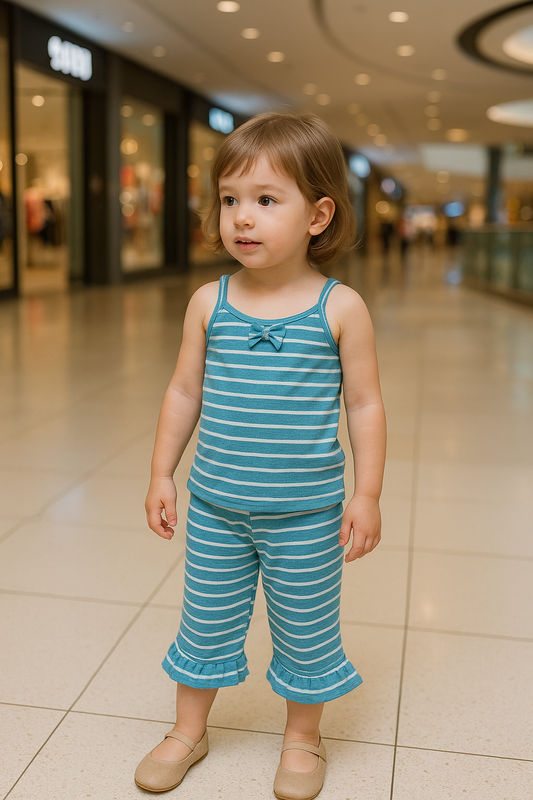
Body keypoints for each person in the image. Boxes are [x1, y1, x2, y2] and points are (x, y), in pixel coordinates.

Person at [134, 112, 386, 800]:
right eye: (229, 199)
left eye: (266, 200)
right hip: (216, 507)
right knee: (204, 622)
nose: (242, 218)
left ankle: (302, 739)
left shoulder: (339, 308)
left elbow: (363, 404)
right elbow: (183, 389)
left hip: (305, 513)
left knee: (306, 629)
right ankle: (189, 730)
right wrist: (162, 472)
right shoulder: (207, 302)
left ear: (318, 214)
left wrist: (365, 495)